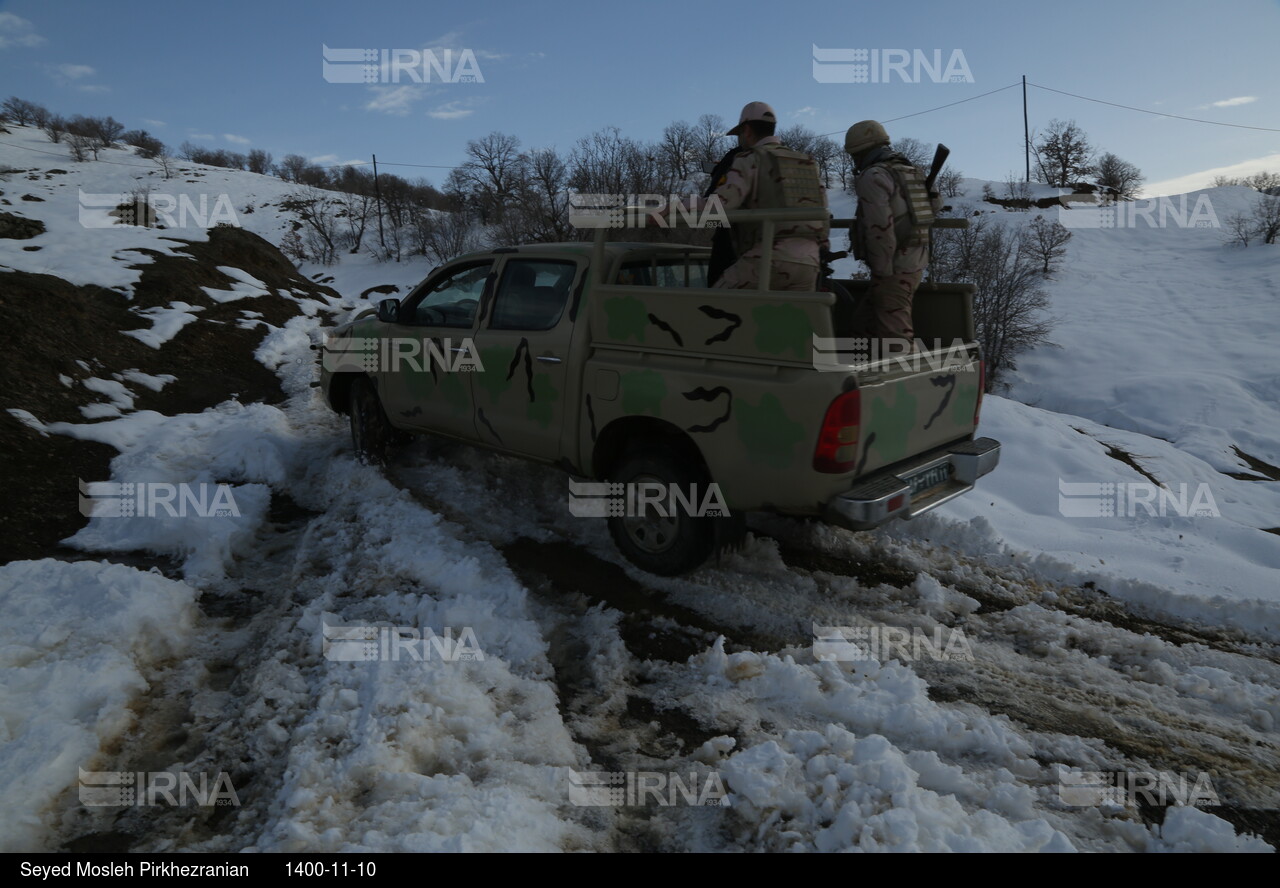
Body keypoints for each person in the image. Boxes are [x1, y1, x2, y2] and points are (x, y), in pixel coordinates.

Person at [690, 102, 829, 291]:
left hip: (768, 259)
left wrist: (671, 208)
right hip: (810, 262)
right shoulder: (807, 163)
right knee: (791, 318)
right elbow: (823, 213)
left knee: (712, 306)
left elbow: (719, 206)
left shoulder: (749, 158)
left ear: (747, 130)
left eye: (739, 134)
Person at [845, 120, 941, 352]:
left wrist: (882, 271)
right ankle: (868, 381)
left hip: (893, 266)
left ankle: (917, 385)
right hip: (915, 261)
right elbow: (935, 206)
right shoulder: (911, 171)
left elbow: (879, 229)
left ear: (859, 151)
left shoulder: (873, 175)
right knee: (862, 327)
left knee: (896, 339)